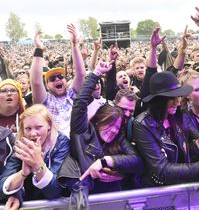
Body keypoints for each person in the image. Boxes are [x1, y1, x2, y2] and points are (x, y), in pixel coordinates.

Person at [59, 61, 143, 195]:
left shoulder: (118, 138)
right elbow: (80, 103)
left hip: (111, 197)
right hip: (84, 197)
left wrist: (107, 161)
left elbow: (137, 161)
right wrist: (96, 73)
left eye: (117, 127)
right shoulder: (81, 131)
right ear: (99, 120)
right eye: (110, 124)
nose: (114, 130)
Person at [0, 104, 69, 202]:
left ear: (49, 126)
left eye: (38, 127)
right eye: (28, 129)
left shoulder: (61, 143)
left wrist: (38, 165)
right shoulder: (21, 145)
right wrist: (22, 174)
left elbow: (55, 191)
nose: (33, 134)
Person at [31, 25, 86, 137]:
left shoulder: (72, 95)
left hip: (78, 144)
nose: (57, 79)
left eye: (61, 76)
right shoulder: (45, 101)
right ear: (47, 85)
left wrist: (74, 45)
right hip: (56, 148)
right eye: (52, 79)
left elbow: (81, 74)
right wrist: (38, 49)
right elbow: (36, 83)